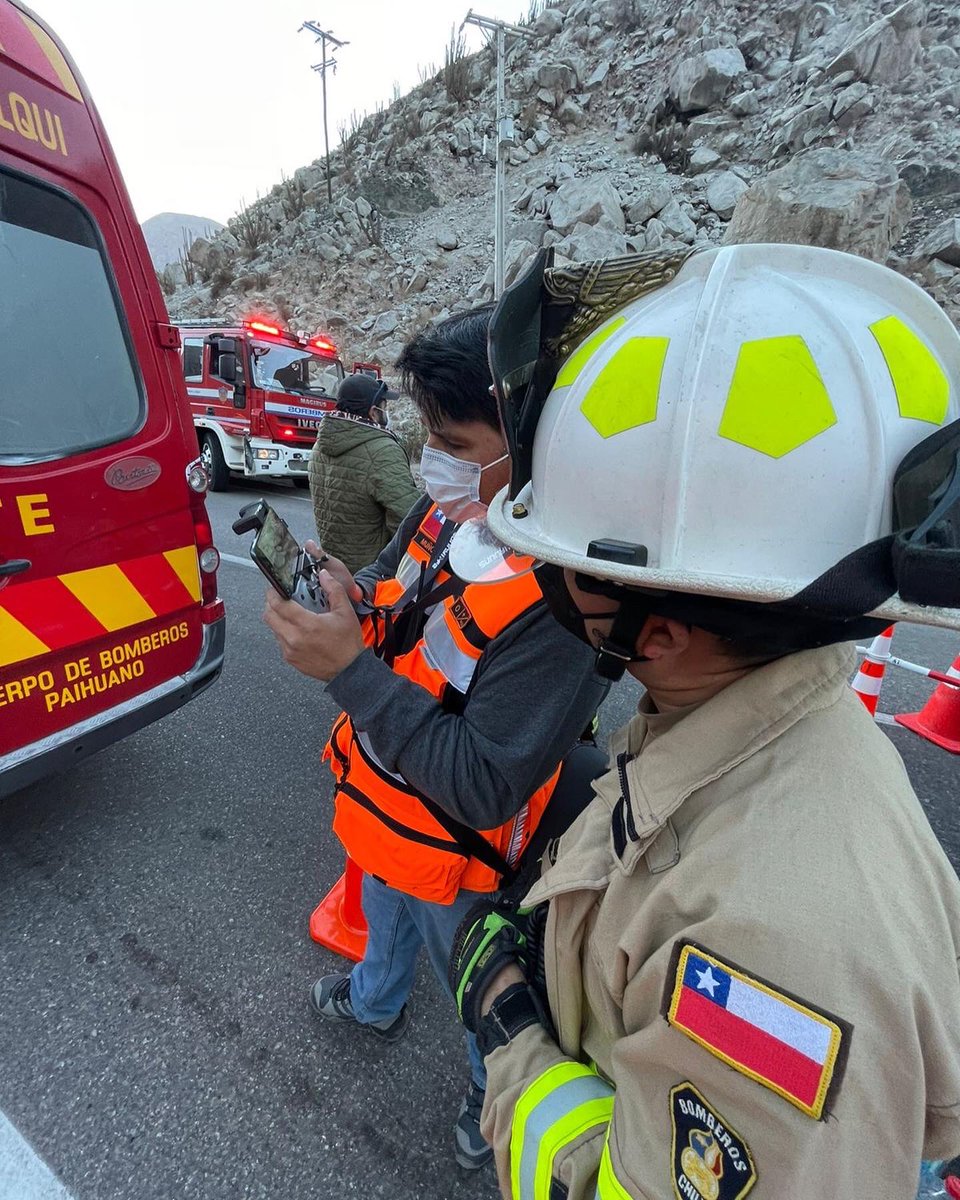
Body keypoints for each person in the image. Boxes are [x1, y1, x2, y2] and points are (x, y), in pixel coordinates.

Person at [447, 244, 960, 1199]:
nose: (552, 583)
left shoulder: (773, 961)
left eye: (567, 568)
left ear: (667, 630)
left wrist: (511, 1036)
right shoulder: (763, 731)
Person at [263, 306, 608, 1170]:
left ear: (534, 444)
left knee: (480, 984)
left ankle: (491, 1098)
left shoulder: (565, 602)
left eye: (457, 440)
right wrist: (352, 591)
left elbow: (487, 781)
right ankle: (376, 1000)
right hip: (384, 801)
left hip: (457, 844)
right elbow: (396, 582)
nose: (437, 460)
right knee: (381, 910)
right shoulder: (452, 506)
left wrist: (348, 671)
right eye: (431, 437)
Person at [308, 372, 421, 574]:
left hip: (333, 568)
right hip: (371, 576)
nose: (387, 412)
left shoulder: (320, 445)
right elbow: (408, 520)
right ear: (373, 412)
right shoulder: (382, 450)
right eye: (384, 406)